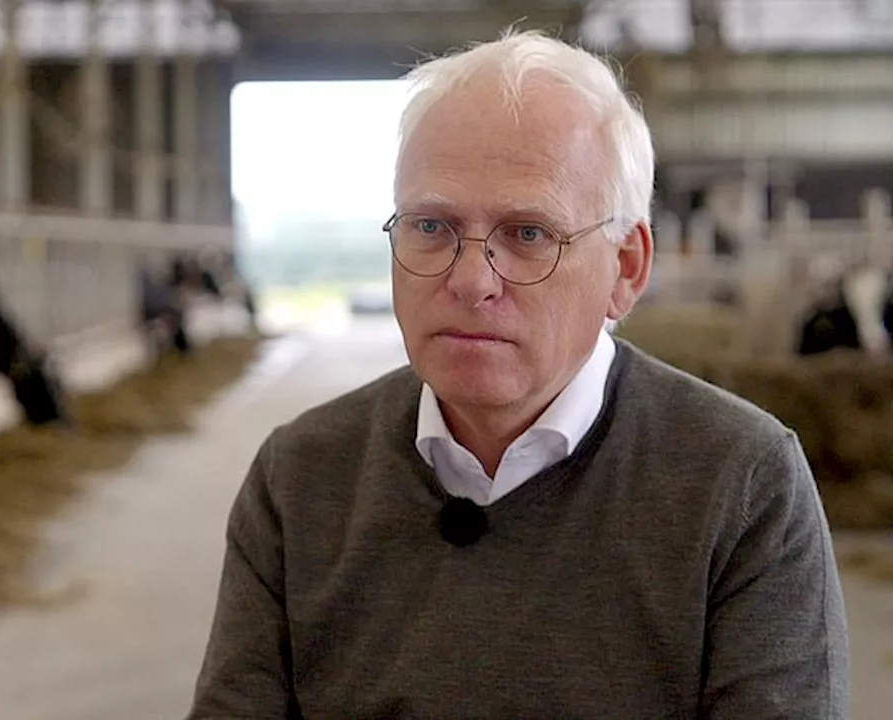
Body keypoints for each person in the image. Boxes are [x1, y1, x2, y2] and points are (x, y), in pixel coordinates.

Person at [187, 29, 849, 719]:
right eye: (432, 227)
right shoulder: (301, 480)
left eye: (528, 234)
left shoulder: (741, 485)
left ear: (625, 268)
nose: (472, 281)